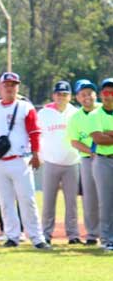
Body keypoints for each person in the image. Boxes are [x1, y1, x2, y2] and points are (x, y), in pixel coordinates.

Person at [0, 72, 48, 249]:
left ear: (17, 87)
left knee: (27, 199)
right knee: (5, 201)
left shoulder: (25, 107)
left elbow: (34, 132)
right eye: (6, 84)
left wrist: (36, 153)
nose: (9, 88)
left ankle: (37, 237)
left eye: (13, 84)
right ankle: (12, 235)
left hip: (21, 160)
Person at [37, 81, 81, 244]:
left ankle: (73, 234)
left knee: (72, 202)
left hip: (72, 162)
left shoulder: (76, 113)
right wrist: (40, 156)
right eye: (58, 94)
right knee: (48, 201)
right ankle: (46, 234)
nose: (61, 97)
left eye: (64, 94)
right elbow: (37, 136)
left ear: (70, 96)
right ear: (53, 95)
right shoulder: (44, 113)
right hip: (51, 162)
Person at [67, 79, 100, 244]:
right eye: (83, 94)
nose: (87, 96)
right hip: (88, 160)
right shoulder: (75, 117)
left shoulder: (105, 110)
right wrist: (91, 150)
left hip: (108, 157)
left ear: (96, 94)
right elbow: (74, 141)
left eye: (90, 92)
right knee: (90, 197)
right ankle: (93, 234)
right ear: (77, 97)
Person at [88, 78, 113, 251]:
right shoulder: (95, 114)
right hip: (103, 160)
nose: (108, 96)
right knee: (106, 201)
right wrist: (105, 136)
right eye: (105, 92)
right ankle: (106, 238)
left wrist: (109, 135)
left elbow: (106, 138)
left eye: (111, 92)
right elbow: (98, 139)